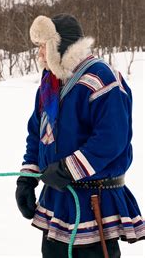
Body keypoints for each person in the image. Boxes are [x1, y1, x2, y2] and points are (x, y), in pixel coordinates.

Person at [15, 13, 144, 257]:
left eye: (44, 46)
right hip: (58, 202)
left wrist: (66, 169)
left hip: (94, 203)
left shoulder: (103, 78)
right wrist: (27, 179)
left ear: (59, 46)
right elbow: (37, 133)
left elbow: (111, 140)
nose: (40, 53)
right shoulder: (50, 83)